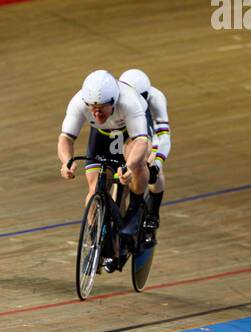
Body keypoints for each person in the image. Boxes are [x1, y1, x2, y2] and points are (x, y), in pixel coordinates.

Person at [57, 70, 152, 268]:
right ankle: (94, 242)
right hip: (101, 136)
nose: (96, 113)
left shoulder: (129, 103)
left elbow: (142, 140)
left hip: (130, 135)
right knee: (94, 189)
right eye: (93, 108)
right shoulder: (79, 102)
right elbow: (65, 137)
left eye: (101, 109)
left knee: (138, 164)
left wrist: (129, 167)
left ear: (114, 102)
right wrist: (66, 161)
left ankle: (134, 210)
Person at [117, 68, 170, 247]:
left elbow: (163, 136)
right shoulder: (121, 98)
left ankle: (153, 215)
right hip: (127, 132)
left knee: (154, 169)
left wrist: (156, 162)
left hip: (148, 132)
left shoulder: (156, 99)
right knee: (120, 178)